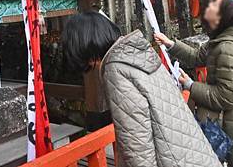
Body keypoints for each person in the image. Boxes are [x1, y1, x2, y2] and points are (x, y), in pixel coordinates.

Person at [62, 11, 221, 167]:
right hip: (192, 153)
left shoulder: (116, 68)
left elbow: (137, 142)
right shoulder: (139, 53)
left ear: (84, 46)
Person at [155, 0, 233, 167]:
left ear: (224, 18)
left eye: (215, 6)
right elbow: (198, 56)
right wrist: (171, 45)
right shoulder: (223, 40)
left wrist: (190, 85)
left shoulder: (228, 48)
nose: (209, 7)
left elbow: (226, 97)